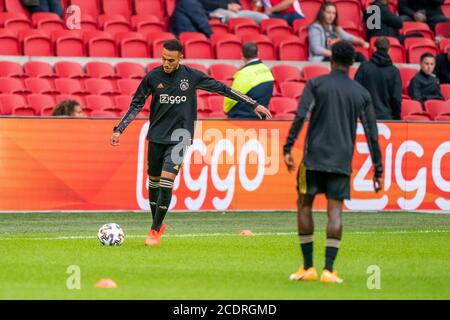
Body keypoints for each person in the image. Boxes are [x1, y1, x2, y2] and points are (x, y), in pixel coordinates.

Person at [110, 39, 272, 247]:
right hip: (157, 136)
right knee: (154, 183)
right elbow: (136, 104)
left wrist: (254, 104)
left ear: (180, 58)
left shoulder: (192, 76)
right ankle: (158, 223)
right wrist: (120, 129)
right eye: (163, 59)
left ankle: (154, 231)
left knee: (168, 180)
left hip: (181, 136)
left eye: (171, 60)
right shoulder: (153, 77)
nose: (166, 63)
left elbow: (223, 89)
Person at [283, 41, 383, 284]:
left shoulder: (316, 83)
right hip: (341, 160)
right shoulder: (361, 93)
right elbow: (372, 133)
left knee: (304, 205)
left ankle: (308, 267)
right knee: (335, 211)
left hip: (313, 158)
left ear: (331, 61)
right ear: (352, 64)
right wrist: (378, 170)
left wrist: (288, 147)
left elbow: (300, 115)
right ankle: (329, 270)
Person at [355, 37, 402, 120]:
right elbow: (396, 98)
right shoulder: (394, 71)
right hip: (387, 117)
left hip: (365, 116)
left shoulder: (364, 67)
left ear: (374, 48)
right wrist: (396, 116)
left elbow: (356, 92)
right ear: (389, 50)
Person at [225, 42, 274, 119]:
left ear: (242, 55)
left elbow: (232, 97)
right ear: (258, 53)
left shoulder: (243, 73)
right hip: (260, 118)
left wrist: (226, 109)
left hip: (242, 118)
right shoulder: (267, 71)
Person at [199, 0, 269, 24]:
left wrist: (236, 5)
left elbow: (236, 2)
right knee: (233, 17)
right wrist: (226, 6)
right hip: (216, 10)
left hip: (236, 11)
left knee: (264, 18)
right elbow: (204, 3)